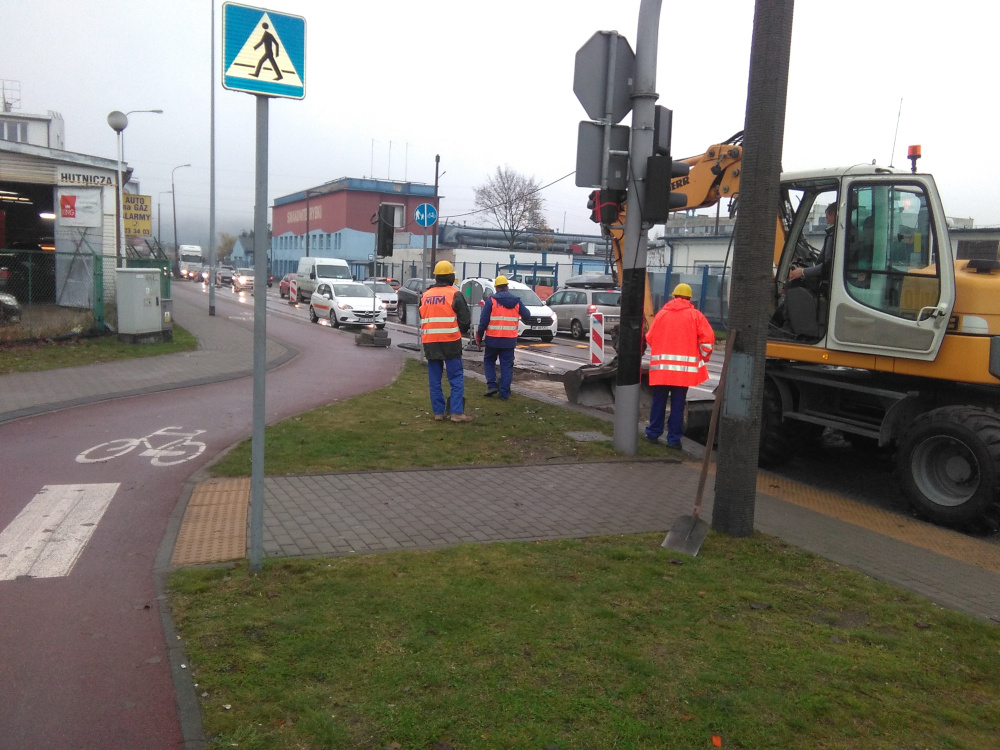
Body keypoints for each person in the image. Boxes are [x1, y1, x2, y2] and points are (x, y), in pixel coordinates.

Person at [644, 283, 715, 448]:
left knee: (658, 401)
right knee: (677, 405)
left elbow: (650, 337)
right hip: (683, 373)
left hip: (662, 371)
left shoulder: (662, 314)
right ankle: (674, 440)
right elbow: (708, 341)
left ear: (673, 296)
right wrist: (703, 358)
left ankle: (653, 434)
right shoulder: (695, 316)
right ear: (690, 298)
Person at [419, 260, 473, 422]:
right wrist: (457, 329)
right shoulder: (454, 294)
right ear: (450, 276)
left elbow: (423, 316)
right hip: (450, 340)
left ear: (436, 277)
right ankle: (456, 413)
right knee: (456, 377)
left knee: (434, 379)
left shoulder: (426, 295)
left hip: (430, 341)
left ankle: (438, 413)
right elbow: (465, 320)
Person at [476, 275, 531, 400]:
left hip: (493, 339)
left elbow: (483, 321)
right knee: (506, 366)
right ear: (507, 287)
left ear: (496, 288)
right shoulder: (516, 301)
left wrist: (479, 336)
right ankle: (504, 393)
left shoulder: (491, 301)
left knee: (489, 361)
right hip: (509, 341)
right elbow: (527, 315)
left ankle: (491, 385)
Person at [788, 202, 837, 288]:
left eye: (827, 218)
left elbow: (827, 266)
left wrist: (802, 272)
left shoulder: (833, 236)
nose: (827, 221)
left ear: (833, 214)